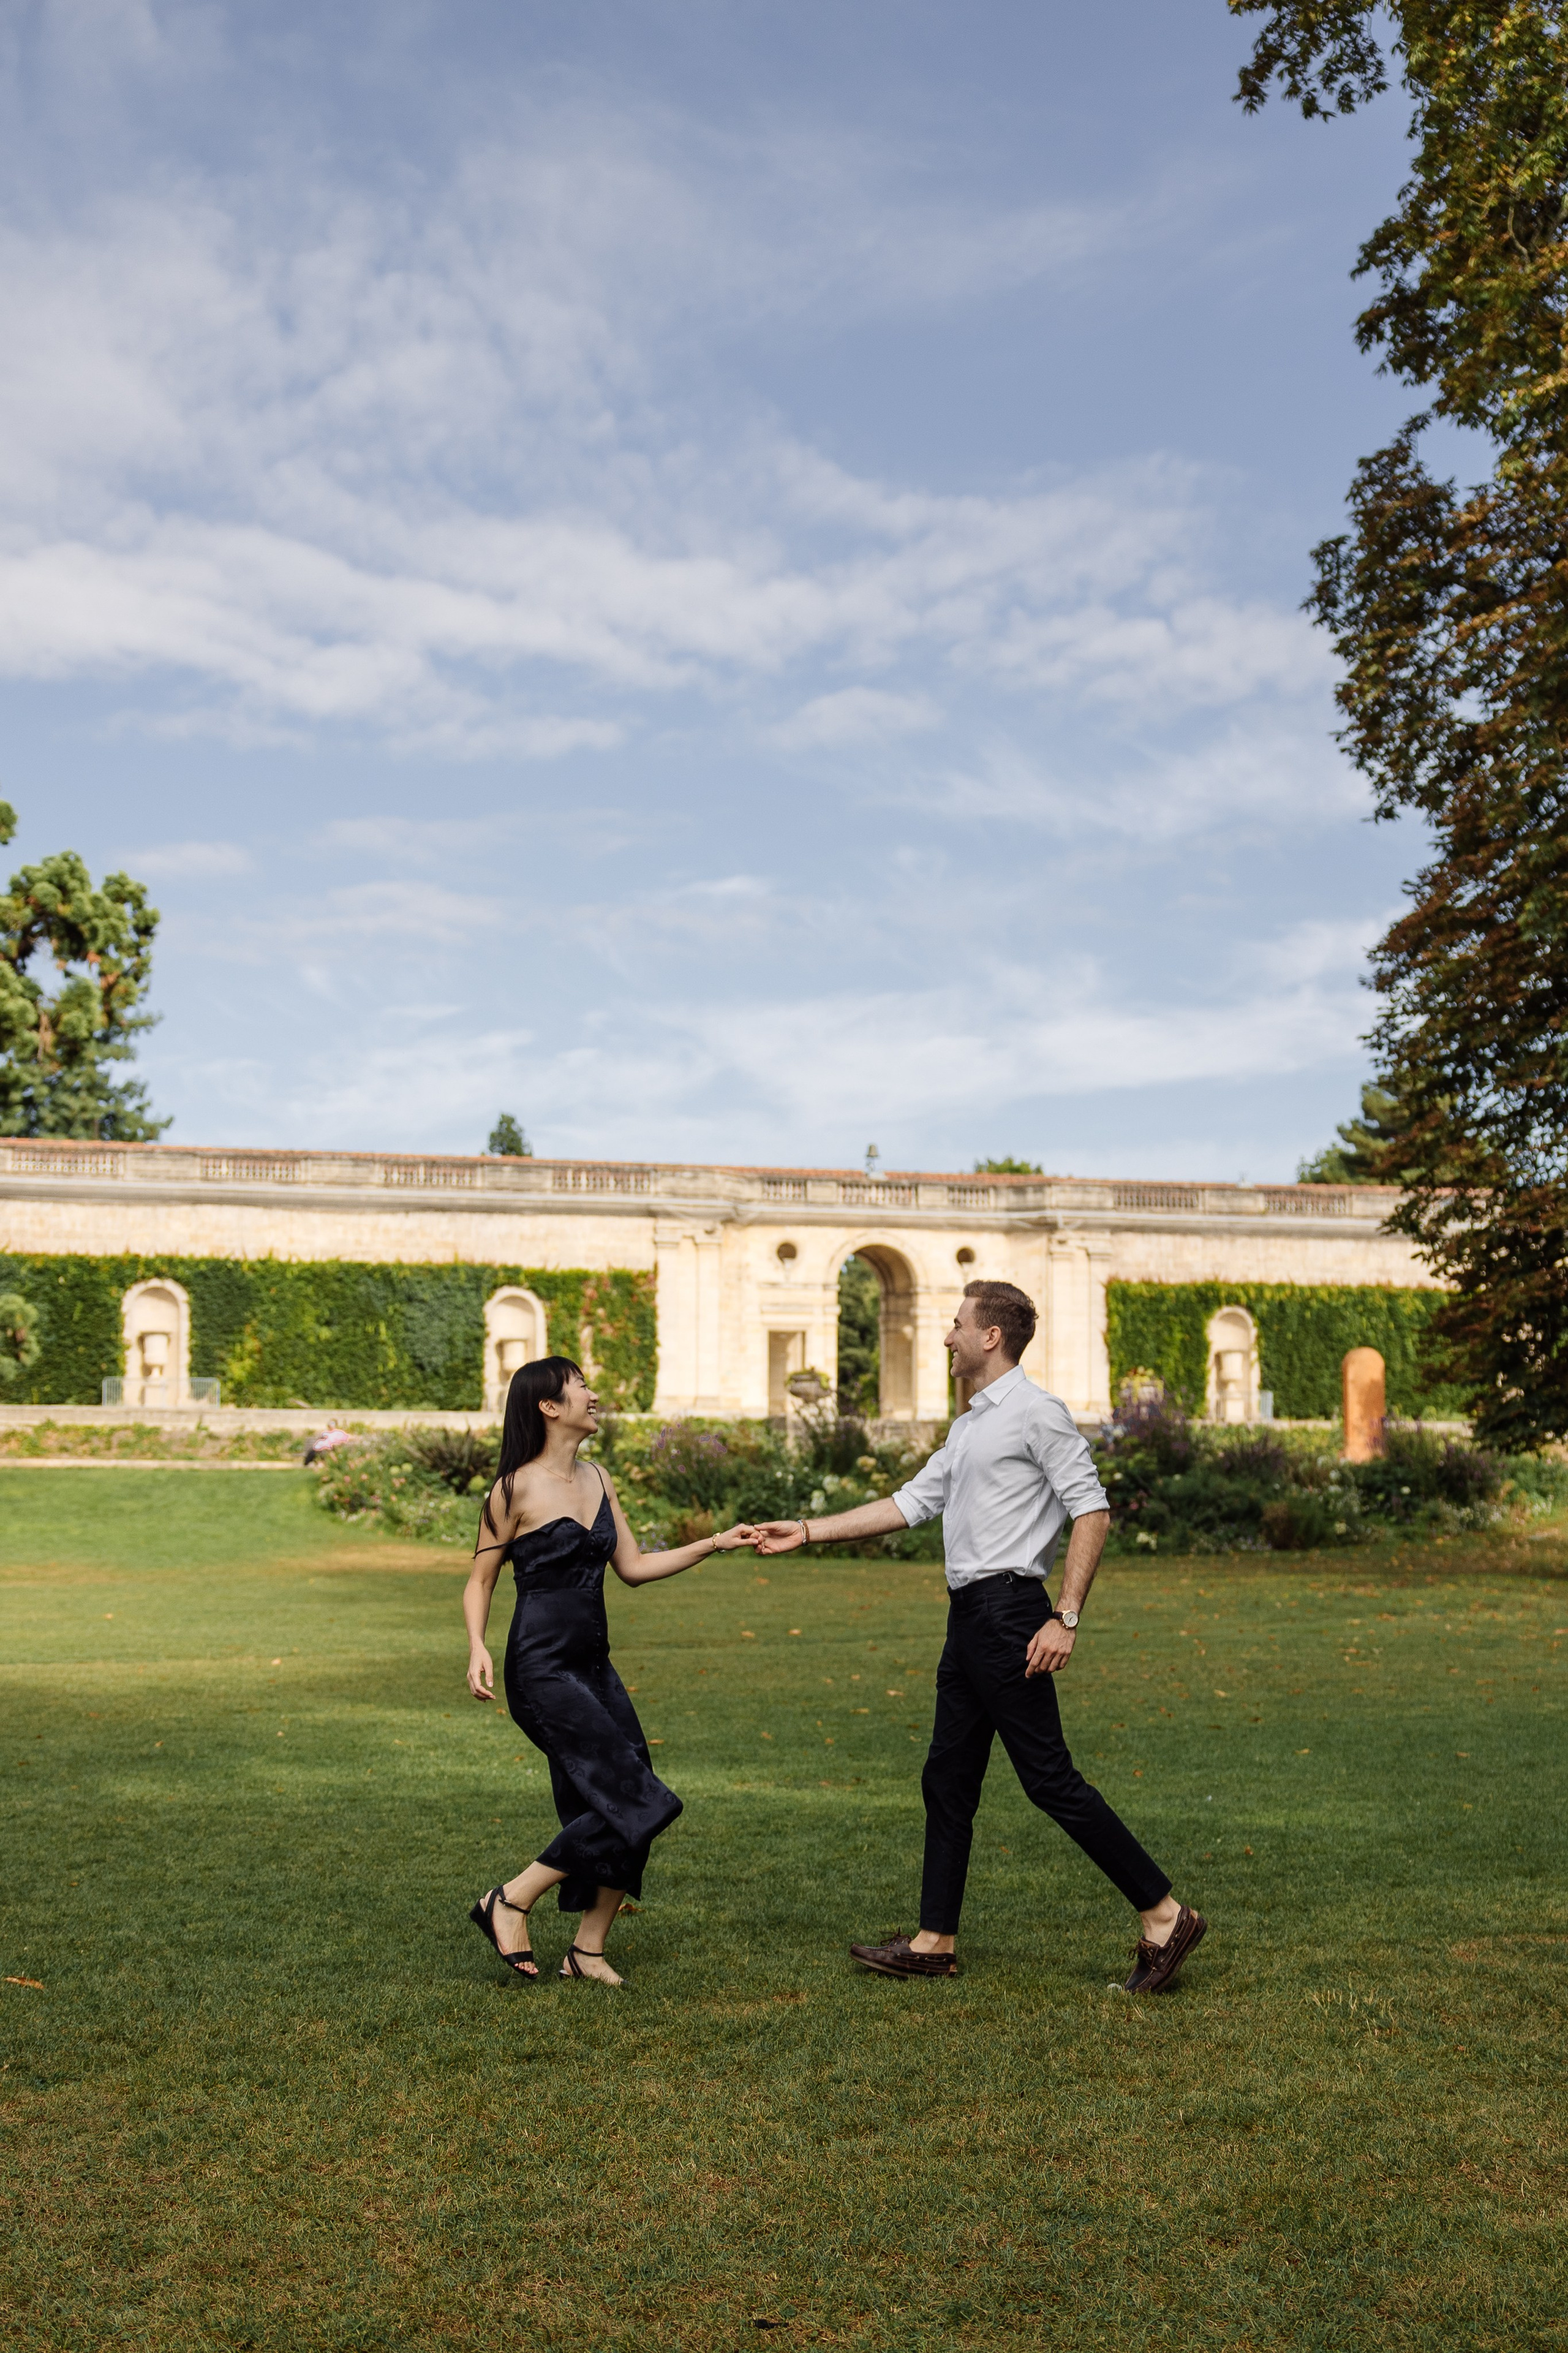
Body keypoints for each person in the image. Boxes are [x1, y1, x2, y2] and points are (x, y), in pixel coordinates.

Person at [755, 1280, 1205, 1993]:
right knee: (947, 1779)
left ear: (990, 1336)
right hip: (967, 1618)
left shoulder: (1035, 1412)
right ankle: (934, 1940)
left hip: (1010, 1614)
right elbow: (910, 1502)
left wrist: (1065, 1616)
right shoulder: (970, 1425)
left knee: (1048, 1780)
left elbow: (1092, 1509)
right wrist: (806, 1529)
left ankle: (1164, 1913)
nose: (946, 1336)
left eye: (956, 1324)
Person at [464, 1356, 755, 1985]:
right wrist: (475, 1645)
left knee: (630, 1792)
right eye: (582, 1387)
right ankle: (510, 1899)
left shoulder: (597, 1477)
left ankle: (586, 1950)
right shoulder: (512, 1488)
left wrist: (713, 1542)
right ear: (548, 1405)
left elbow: (634, 1566)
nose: (594, 1396)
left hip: (594, 1665)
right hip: (540, 1669)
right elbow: (480, 1578)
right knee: (638, 1796)